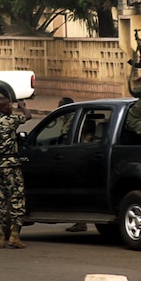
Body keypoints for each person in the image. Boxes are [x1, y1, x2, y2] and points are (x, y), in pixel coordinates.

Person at [0, 97, 32, 249]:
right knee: (17, 199)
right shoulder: (10, 120)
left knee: (0, 200)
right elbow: (28, 116)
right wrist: (22, 106)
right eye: (8, 105)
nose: (10, 106)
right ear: (2, 108)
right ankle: (14, 236)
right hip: (11, 166)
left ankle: (1, 237)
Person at [56, 96, 87, 233]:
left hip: (76, 160)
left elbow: (65, 139)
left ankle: (80, 222)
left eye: (60, 106)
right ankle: (80, 221)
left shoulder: (71, 121)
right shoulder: (76, 118)